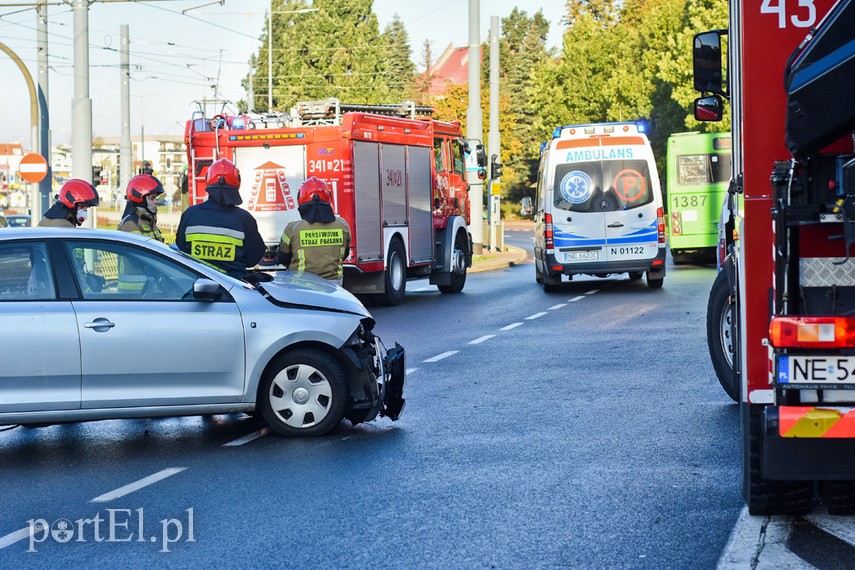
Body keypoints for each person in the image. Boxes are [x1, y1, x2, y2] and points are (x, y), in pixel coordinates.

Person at [175, 158, 265, 279]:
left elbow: (181, 250)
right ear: (237, 182)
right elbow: (253, 258)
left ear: (208, 180)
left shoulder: (190, 214)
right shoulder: (244, 219)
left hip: (197, 289)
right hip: (233, 290)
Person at [276, 176, 351, 284]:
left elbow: (282, 258)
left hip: (301, 286)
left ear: (300, 198)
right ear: (328, 197)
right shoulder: (343, 225)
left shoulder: (292, 228)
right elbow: (344, 254)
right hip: (335, 288)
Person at [117, 174, 165, 241]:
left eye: (156, 198)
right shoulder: (131, 224)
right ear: (140, 199)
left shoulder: (148, 221)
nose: (156, 202)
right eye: (152, 198)